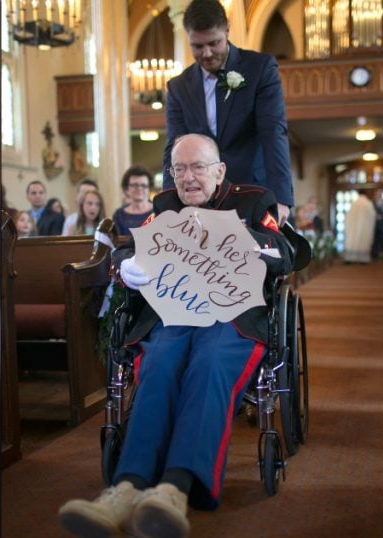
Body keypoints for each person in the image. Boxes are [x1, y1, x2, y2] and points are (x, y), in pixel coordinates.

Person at [58, 134, 293, 538]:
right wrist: (125, 265)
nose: (188, 178)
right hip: (175, 314)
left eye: (198, 167)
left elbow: (282, 252)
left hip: (232, 316)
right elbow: (129, 248)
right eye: (179, 169)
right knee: (161, 363)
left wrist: (233, 236)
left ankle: (174, 489)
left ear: (218, 171)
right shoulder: (166, 205)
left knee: (210, 364)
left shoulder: (254, 200)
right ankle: (126, 488)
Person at [162, 0, 294, 224]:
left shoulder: (260, 68)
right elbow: (174, 148)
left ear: (227, 30)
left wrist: (281, 198)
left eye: (214, 43)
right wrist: (167, 205)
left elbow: (273, 133)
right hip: (203, 201)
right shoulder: (178, 86)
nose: (207, 53)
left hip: (254, 191)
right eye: (197, 46)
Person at [111, 166, 154, 235]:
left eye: (143, 185)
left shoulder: (158, 211)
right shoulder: (119, 215)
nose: (139, 188)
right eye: (135, 185)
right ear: (126, 189)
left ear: (149, 189)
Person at [343, 192, 375, 263]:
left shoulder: (354, 203)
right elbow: (372, 216)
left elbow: (347, 216)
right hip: (365, 228)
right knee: (363, 242)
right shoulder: (368, 204)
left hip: (353, 228)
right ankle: (362, 259)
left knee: (352, 242)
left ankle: (349, 258)